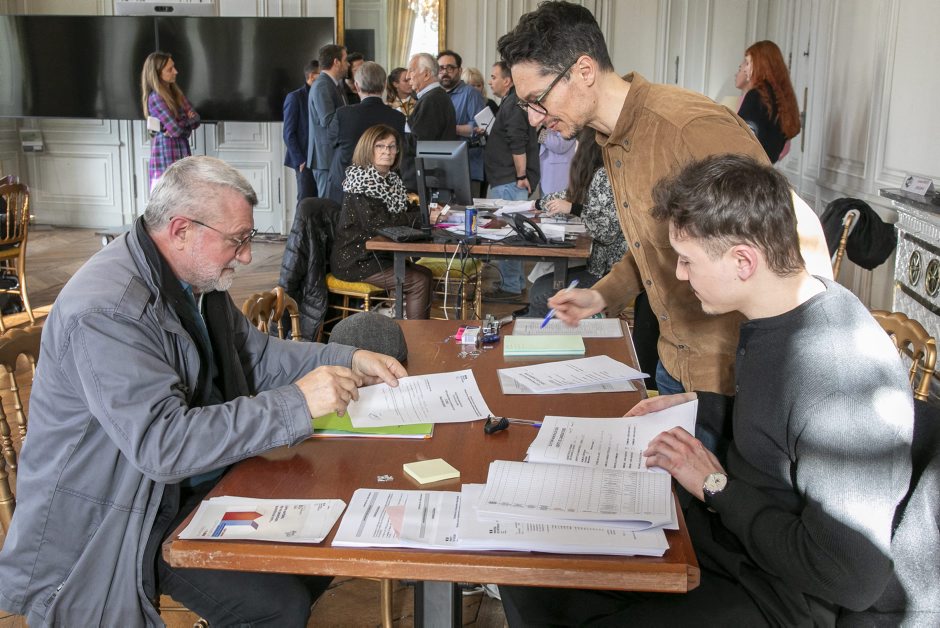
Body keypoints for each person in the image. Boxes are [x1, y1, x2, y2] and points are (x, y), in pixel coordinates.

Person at [499, 154, 914, 627]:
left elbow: (850, 578)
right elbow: (782, 424)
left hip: (781, 597)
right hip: (733, 541)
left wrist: (716, 486)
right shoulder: (782, 313)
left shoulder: (840, 377)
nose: (679, 274)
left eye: (688, 260)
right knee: (526, 565)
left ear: (743, 261)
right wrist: (703, 405)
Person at [0, 155, 407, 626]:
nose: (247, 256)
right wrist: (297, 402)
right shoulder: (108, 312)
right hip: (124, 515)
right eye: (238, 240)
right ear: (181, 230)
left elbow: (256, 356)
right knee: (278, 606)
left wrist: (346, 359)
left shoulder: (192, 278)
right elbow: (163, 446)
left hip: (186, 482)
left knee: (318, 546)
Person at [497, 0, 831, 397]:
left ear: (584, 71)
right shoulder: (610, 140)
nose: (534, 118)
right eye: (526, 105)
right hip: (674, 360)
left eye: (538, 99)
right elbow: (653, 245)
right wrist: (601, 294)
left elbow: (794, 235)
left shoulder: (687, 127)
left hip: (732, 376)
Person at [330, 125, 432, 319]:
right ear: (368, 149)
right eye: (380, 146)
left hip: (378, 255)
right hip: (356, 259)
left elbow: (403, 211)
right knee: (418, 281)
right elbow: (381, 223)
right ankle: (414, 335)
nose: (387, 151)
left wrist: (428, 212)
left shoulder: (391, 180)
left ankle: (411, 328)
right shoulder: (360, 182)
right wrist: (424, 218)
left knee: (426, 275)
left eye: (392, 146)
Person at [525, 128, 625, 318]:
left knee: (540, 292)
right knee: (540, 283)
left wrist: (573, 209)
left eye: (577, 143)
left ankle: (536, 330)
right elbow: (570, 195)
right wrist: (538, 204)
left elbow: (607, 231)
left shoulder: (604, 175)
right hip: (598, 265)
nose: (575, 148)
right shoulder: (596, 174)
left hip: (606, 271)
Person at [483, 61, 539, 303]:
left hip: (510, 180)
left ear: (507, 80)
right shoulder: (511, 101)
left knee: (507, 234)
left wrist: (521, 176)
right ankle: (514, 283)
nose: (490, 81)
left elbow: (517, 142)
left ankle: (511, 287)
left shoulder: (514, 104)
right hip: (506, 178)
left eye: (494, 76)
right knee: (510, 233)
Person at [326, 61, 406, 204]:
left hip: (345, 189)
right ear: (384, 86)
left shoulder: (342, 114)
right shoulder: (398, 118)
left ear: (357, 86)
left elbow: (330, 142)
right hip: (384, 190)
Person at [140, 51, 201, 189]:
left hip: (182, 149)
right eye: (170, 69)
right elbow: (176, 130)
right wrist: (187, 122)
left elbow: (196, 119)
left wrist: (181, 125)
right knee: (170, 194)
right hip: (166, 153)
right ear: (157, 73)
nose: (176, 71)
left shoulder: (177, 94)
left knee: (185, 192)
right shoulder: (156, 98)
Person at [400, 53, 457, 191]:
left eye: (411, 70)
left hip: (424, 182)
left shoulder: (432, 100)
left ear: (426, 74)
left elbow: (420, 144)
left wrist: (397, 136)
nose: (407, 76)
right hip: (425, 179)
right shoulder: (432, 97)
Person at [736, 40, 800, 163]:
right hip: (766, 169)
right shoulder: (783, 100)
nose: (745, 69)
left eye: (748, 63)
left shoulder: (755, 96)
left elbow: (740, 137)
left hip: (748, 168)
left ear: (760, 65)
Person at [437, 50, 486, 191]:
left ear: (459, 70)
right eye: (441, 68)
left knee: (467, 206)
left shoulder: (471, 93)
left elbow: (479, 128)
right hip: (441, 167)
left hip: (467, 168)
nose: (445, 72)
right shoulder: (435, 95)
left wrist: (448, 128)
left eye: (450, 68)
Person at [308, 44, 349, 196]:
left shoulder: (334, 84)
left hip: (333, 156)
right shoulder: (322, 86)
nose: (348, 64)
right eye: (345, 60)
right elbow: (329, 122)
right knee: (328, 205)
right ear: (336, 62)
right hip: (325, 159)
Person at [283, 59, 320, 202]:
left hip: (320, 159)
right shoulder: (295, 97)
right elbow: (288, 134)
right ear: (312, 76)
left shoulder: (322, 95)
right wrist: (300, 160)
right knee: (305, 201)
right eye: (321, 75)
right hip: (304, 160)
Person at [537, 127, 576, 195]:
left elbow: (561, 145)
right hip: (545, 176)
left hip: (557, 179)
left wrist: (540, 132)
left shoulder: (571, 124)